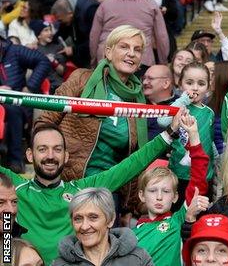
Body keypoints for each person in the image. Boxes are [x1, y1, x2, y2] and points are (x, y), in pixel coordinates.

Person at [4, 115, 181, 264]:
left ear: (66, 156)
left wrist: (168, 134)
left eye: (57, 149)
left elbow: (129, 167)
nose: (50, 156)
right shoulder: (12, 189)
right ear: (29, 155)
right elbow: (6, 237)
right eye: (42, 149)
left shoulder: (80, 191)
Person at [34, 26, 149, 212]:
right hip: (69, 182)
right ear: (109, 52)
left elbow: (135, 156)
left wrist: (132, 203)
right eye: (124, 47)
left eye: (137, 50)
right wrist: (49, 164)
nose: (131, 54)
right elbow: (46, 121)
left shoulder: (139, 99)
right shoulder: (82, 79)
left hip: (110, 189)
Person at [133, 115, 209, 266]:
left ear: (175, 197)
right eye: (153, 191)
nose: (159, 197)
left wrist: (193, 135)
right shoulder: (131, 234)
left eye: (166, 192)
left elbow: (198, 179)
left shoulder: (179, 220)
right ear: (142, 195)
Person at [89, 0, 169, 69]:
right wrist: (163, 63)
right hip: (141, 60)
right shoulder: (151, 5)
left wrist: (93, 61)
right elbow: (162, 37)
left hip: (108, 59)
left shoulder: (106, 4)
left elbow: (94, 36)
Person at [52, 188, 153, 266]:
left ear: (110, 220)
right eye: (78, 218)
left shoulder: (138, 258)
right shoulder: (60, 264)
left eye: (93, 217)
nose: (84, 226)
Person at [166, 63, 216, 206]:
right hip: (178, 174)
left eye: (201, 83)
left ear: (208, 87)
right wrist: (182, 100)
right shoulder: (177, 107)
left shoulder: (210, 113)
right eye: (189, 83)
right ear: (179, 83)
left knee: (198, 215)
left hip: (203, 175)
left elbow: (210, 143)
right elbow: (162, 121)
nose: (195, 88)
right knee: (177, 213)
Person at [0, 35, 50, 173]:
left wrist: (30, 87)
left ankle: (15, 160)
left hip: (16, 102)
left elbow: (43, 61)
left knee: (12, 109)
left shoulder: (14, 51)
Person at [51, 0, 99, 68]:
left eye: (60, 20)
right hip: (82, 49)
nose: (60, 23)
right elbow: (64, 29)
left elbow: (95, 39)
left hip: (95, 55)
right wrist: (51, 40)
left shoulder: (90, 10)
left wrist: (74, 50)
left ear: (70, 13)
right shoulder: (69, 5)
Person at [33, 19, 65, 94]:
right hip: (40, 88)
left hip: (57, 86)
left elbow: (62, 71)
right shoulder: (34, 49)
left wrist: (53, 62)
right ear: (39, 35)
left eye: (50, 30)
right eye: (46, 30)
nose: (50, 33)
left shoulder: (57, 48)